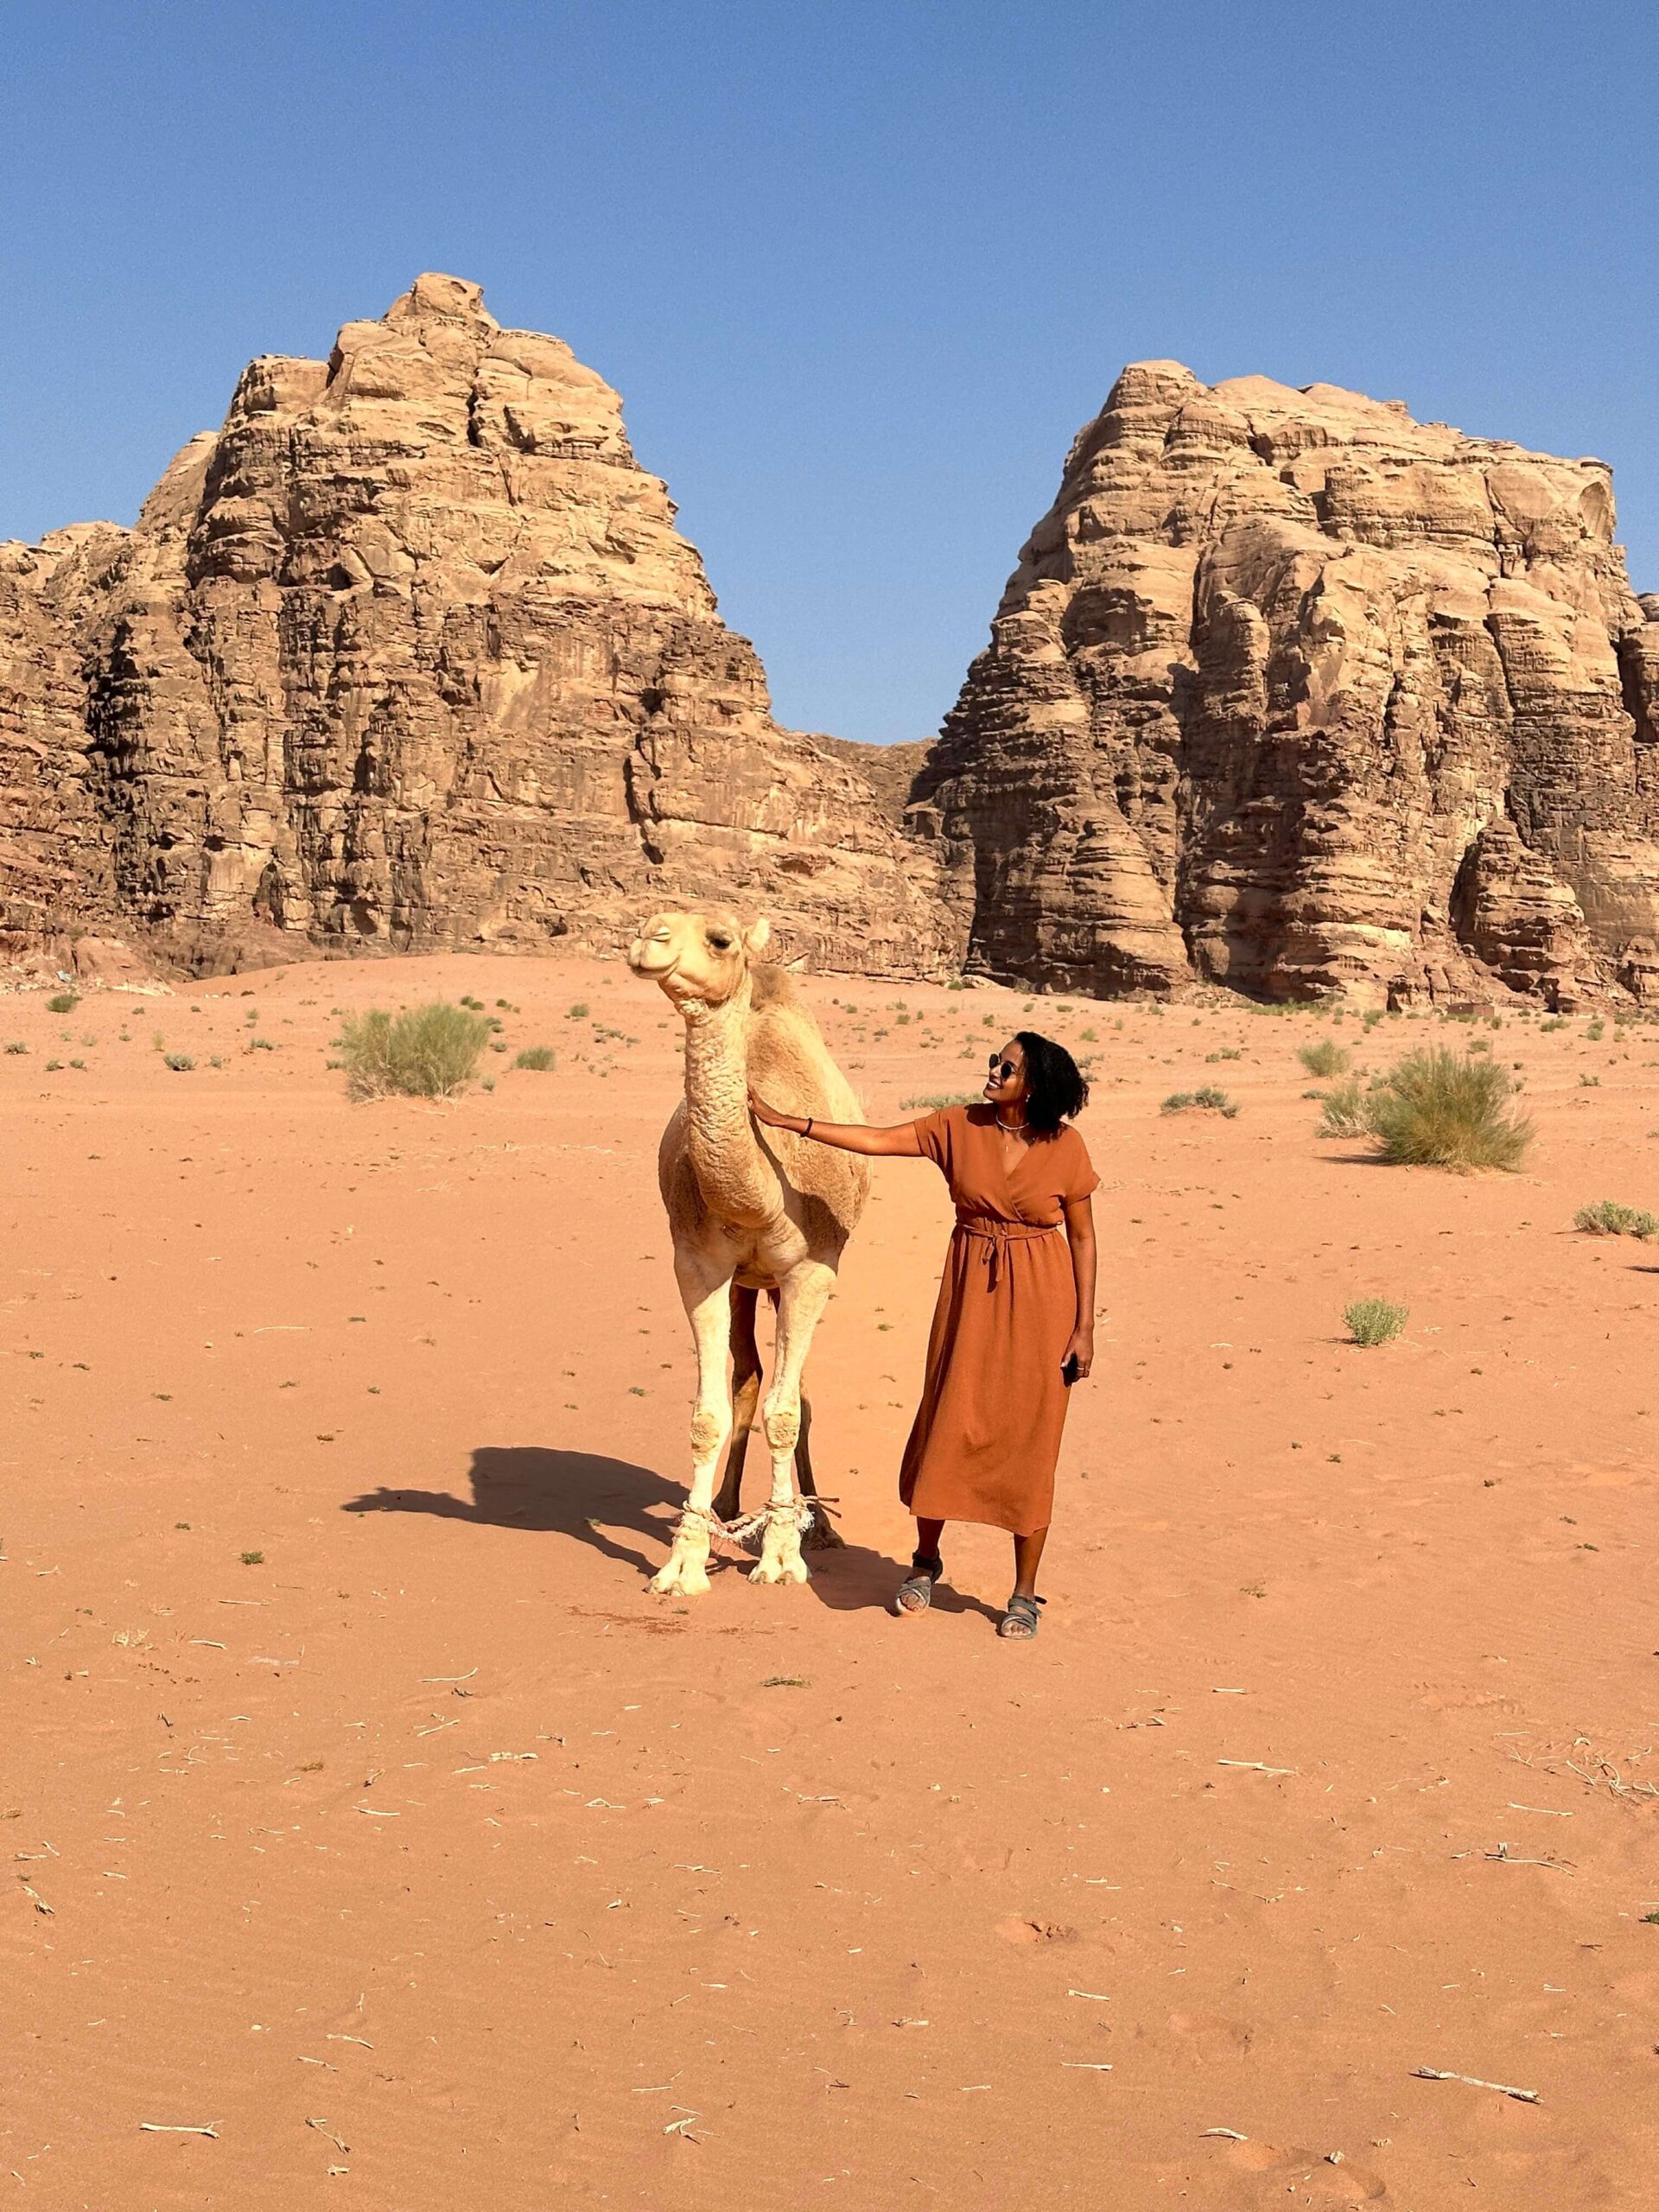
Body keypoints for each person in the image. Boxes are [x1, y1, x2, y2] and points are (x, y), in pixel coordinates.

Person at [747, 1032, 1097, 1637]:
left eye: (1007, 1067)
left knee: (1031, 1437)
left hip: (1044, 1298)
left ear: (1034, 1084)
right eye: (994, 1060)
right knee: (948, 1419)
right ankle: (925, 1560)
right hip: (968, 1294)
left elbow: (1085, 1239)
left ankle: (1024, 1592)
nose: (992, 1070)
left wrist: (1085, 1327)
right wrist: (791, 1123)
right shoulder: (959, 1125)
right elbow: (878, 1140)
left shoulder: (1067, 1147)